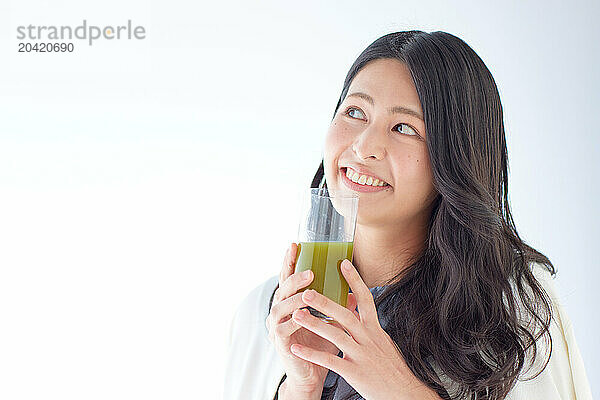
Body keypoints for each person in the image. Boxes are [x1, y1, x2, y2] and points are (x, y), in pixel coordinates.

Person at [223, 30, 593, 400]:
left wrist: (399, 389)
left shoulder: (513, 309)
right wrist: (301, 388)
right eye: (355, 112)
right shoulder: (263, 316)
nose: (364, 146)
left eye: (404, 128)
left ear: (454, 159)